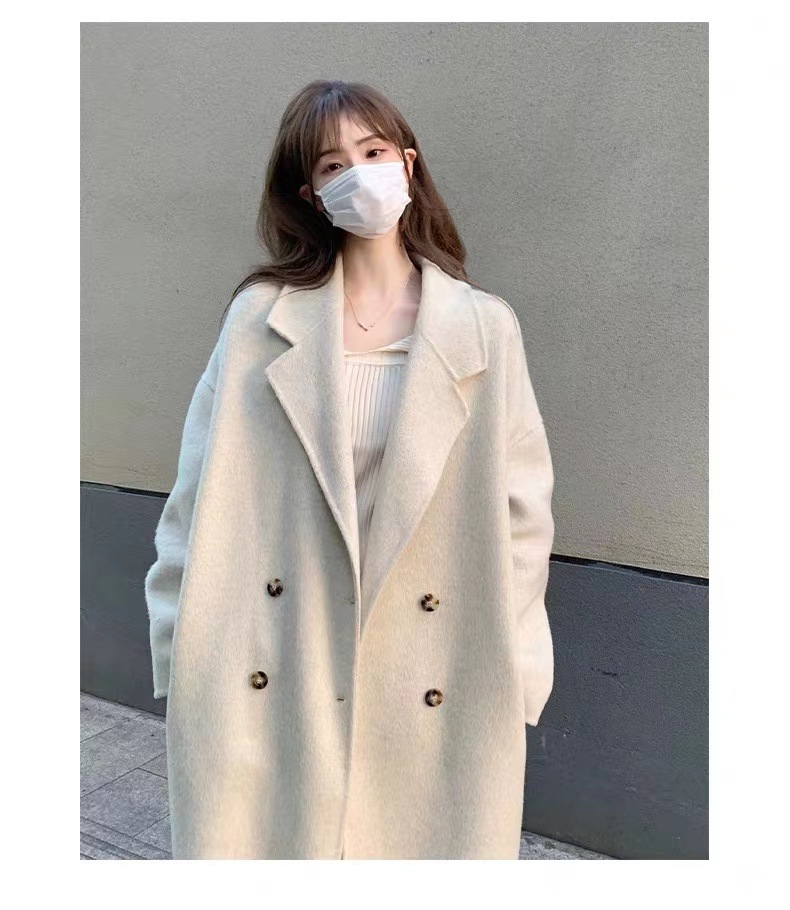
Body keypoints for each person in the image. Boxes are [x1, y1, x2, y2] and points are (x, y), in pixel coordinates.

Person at [145, 79, 555, 860]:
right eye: (334, 165)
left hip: (432, 663)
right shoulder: (260, 320)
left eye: (373, 151)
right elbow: (193, 498)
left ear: (408, 164)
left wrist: (517, 671)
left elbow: (524, 518)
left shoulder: (483, 329)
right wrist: (180, 648)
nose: (359, 175)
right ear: (312, 195)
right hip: (278, 656)